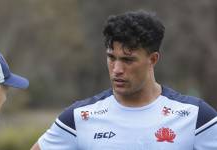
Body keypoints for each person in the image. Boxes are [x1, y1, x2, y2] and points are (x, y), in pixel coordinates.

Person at [31, 10, 217, 150]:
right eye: (112, 58)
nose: (117, 70)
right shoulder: (79, 118)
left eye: (128, 60)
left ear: (153, 59)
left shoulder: (197, 118)